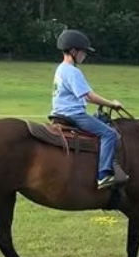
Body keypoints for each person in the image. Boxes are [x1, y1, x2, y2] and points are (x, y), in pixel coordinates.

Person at [51, 29, 129, 189]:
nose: (84, 55)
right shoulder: (73, 71)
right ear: (73, 51)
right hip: (74, 114)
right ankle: (104, 175)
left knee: (101, 121)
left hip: (61, 112)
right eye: (83, 52)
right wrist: (111, 104)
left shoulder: (61, 68)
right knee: (110, 134)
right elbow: (88, 96)